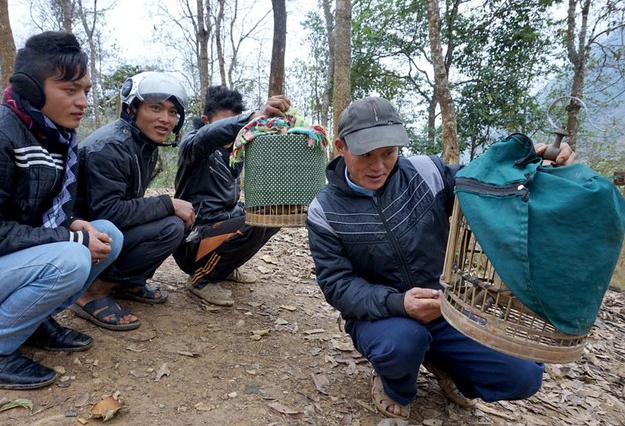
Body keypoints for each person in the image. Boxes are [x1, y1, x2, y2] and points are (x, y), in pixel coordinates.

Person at [305, 96, 576, 419]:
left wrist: (535, 159)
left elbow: (485, 182)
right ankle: (395, 384)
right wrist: (399, 303)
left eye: (389, 154)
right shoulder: (325, 210)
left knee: (523, 376)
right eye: (366, 155)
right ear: (341, 146)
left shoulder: (427, 172)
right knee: (402, 344)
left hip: (446, 307)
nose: (378, 167)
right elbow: (337, 284)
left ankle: (446, 365)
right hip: (381, 317)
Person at [0, 31, 123, 390]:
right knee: (73, 256)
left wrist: (75, 224)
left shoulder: (56, 137)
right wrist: (71, 236)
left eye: (86, 91)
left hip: (4, 265)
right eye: (70, 89)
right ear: (31, 88)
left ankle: (29, 324)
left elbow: (44, 212)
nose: (82, 102)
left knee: (108, 234)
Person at [73, 72, 195, 331]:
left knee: (176, 219)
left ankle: (126, 282)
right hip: (85, 237)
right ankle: (91, 292)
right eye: (155, 108)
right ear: (132, 109)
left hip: (107, 230)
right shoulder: (110, 146)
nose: (166, 119)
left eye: (173, 112)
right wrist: (167, 203)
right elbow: (107, 212)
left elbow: (127, 204)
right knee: (171, 225)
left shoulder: (143, 143)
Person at [173, 86, 289, 306]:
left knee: (272, 216)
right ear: (206, 121)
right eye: (226, 124)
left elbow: (230, 205)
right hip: (192, 241)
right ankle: (201, 279)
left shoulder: (235, 154)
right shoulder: (192, 146)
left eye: (236, 124)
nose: (233, 131)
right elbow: (207, 137)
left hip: (218, 233)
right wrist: (251, 118)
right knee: (254, 223)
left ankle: (223, 268)